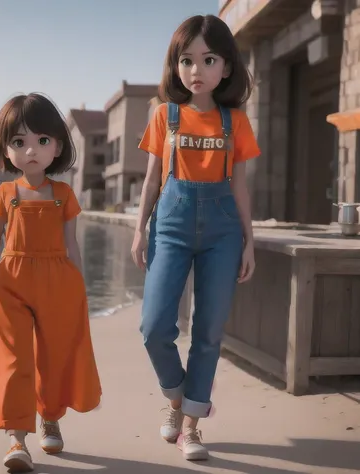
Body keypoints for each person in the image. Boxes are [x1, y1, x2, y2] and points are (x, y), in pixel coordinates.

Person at [131, 15, 260, 461]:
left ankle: (190, 427)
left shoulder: (235, 122)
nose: (196, 70)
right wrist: (139, 230)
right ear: (176, 66)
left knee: (207, 331)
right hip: (170, 224)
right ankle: (176, 399)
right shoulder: (162, 115)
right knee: (153, 328)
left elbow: (240, 186)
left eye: (208, 59)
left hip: (223, 232)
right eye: (186, 60)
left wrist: (249, 241)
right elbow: (150, 182)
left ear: (225, 67)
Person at [0, 93, 102, 472]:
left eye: (41, 140)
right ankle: (16, 439)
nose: (31, 150)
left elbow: (71, 245)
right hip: (10, 283)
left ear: (57, 146)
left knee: (53, 354)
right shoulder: (5, 194)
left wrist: (80, 287)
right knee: (15, 360)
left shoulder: (64, 195)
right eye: (19, 142)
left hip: (59, 282)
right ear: (6, 148)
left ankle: (50, 416)